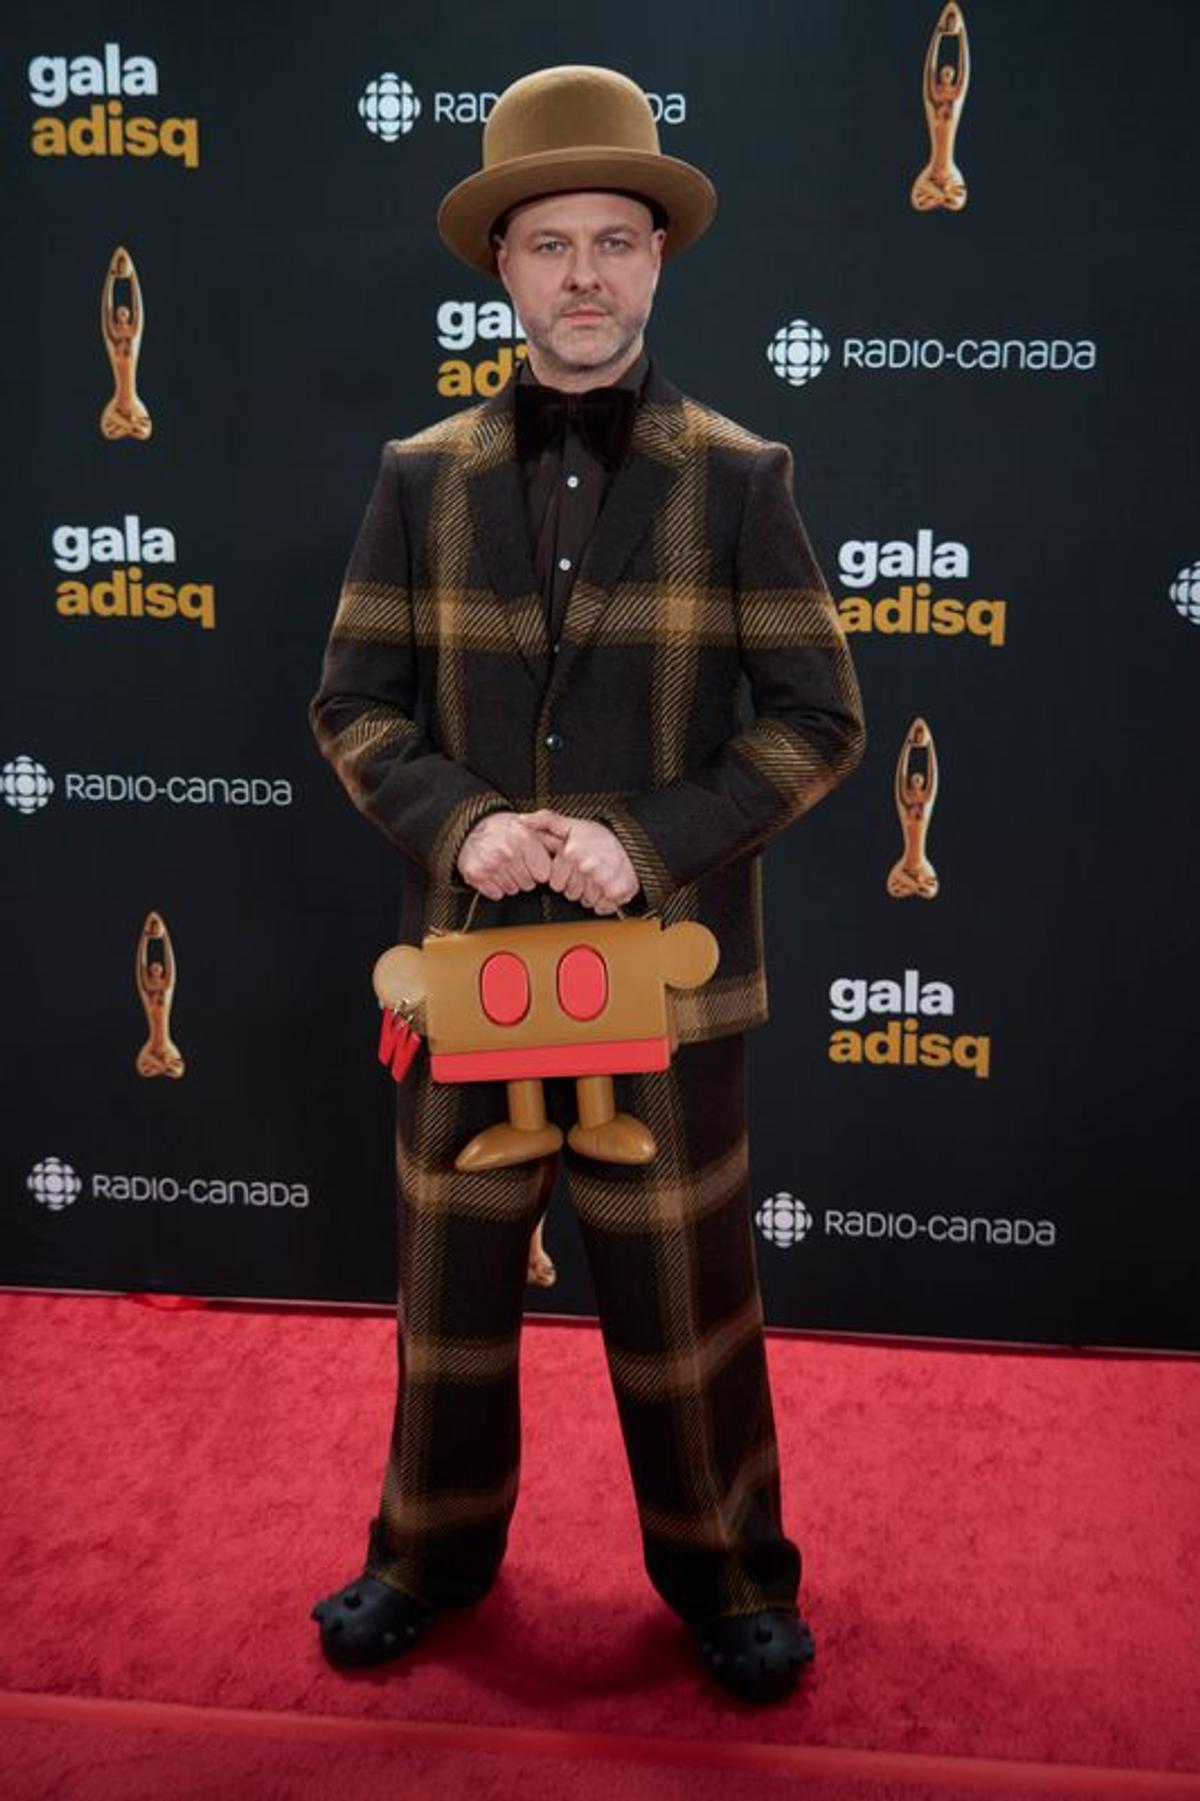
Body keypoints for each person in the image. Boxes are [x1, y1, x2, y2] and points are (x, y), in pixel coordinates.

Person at [308, 63, 866, 1705]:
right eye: (550, 243)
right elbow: (354, 705)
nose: (584, 276)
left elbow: (821, 720)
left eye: (615, 241)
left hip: (667, 978)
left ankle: (732, 1576)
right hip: (469, 962)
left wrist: (655, 837)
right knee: (452, 1295)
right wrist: (460, 822)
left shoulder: (742, 474)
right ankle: (424, 1555)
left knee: (687, 1300)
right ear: (502, 263)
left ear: (658, 258)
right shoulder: (419, 475)